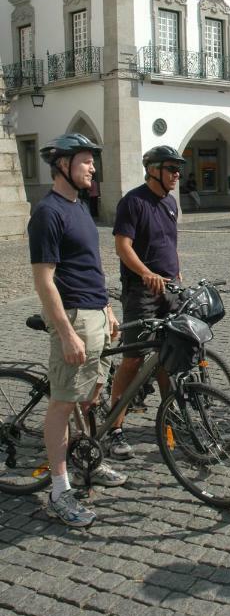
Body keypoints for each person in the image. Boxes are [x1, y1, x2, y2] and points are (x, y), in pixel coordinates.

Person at [28, 133, 126, 528]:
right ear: (62, 165)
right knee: (63, 402)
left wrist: (107, 307)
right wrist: (66, 332)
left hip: (96, 314)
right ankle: (58, 488)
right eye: (85, 161)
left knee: (91, 395)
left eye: (92, 161)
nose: (92, 168)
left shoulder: (81, 207)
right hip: (73, 317)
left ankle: (88, 457)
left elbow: (90, 266)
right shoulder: (48, 212)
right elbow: (43, 280)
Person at [108, 145, 185, 460]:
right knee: (134, 359)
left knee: (169, 355)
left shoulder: (170, 203)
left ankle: (170, 414)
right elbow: (122, 247)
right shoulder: (133, 202)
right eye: (171, 168)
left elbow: (170, 244)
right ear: (153, 169)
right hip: (141, 291)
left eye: (178, 169)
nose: (176, 174)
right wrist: (146, 273)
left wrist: (177, 276)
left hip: (170, 289)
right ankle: (114, 428)